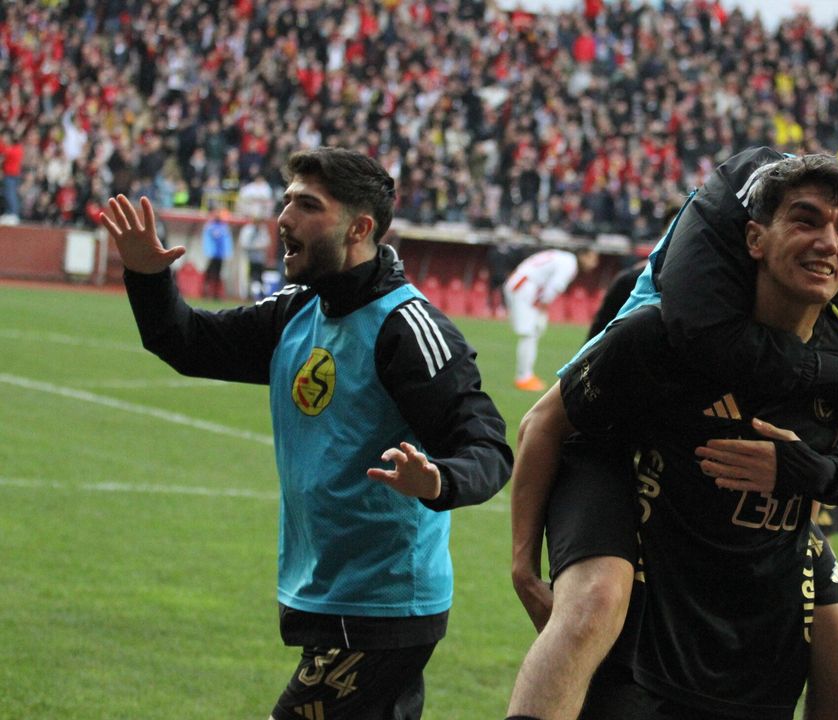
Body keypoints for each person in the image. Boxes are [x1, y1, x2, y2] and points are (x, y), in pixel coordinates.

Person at [509, 128, 838, 720]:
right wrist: (833, 375)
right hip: (624, 427)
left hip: (743, 465)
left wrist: (805, 469)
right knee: (594, 605)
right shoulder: (755, 193)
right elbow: (697, 330)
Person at [103, 147, 513, 720]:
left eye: (308, 205)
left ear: (359, 228)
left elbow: (487, 445)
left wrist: (440, 480)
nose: (284, 218)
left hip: (382, 601)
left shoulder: (406, 328)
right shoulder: (298, 311)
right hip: (327, 587)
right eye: (287, 200)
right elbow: (189, 343)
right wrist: (148, 277)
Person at [504, 246, 600, 391]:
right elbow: (556, 285)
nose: (594, 264)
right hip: (525, 287)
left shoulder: (563, 257)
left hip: (523, 284)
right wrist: (543, 303)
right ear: (582, 255)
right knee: (530, 334)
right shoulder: (569, 263)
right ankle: (524, 377)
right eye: (592, 258)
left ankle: (525, 375)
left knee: (534, 331)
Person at [201, 207, 233, 299]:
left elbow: (227, 241)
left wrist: (227, 252)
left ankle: (215, 292)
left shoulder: (224, 227)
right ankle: (207, 291)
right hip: (213, 253)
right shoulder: (210, 226)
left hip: (220, 254)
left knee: (217, 273)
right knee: (210, 272)